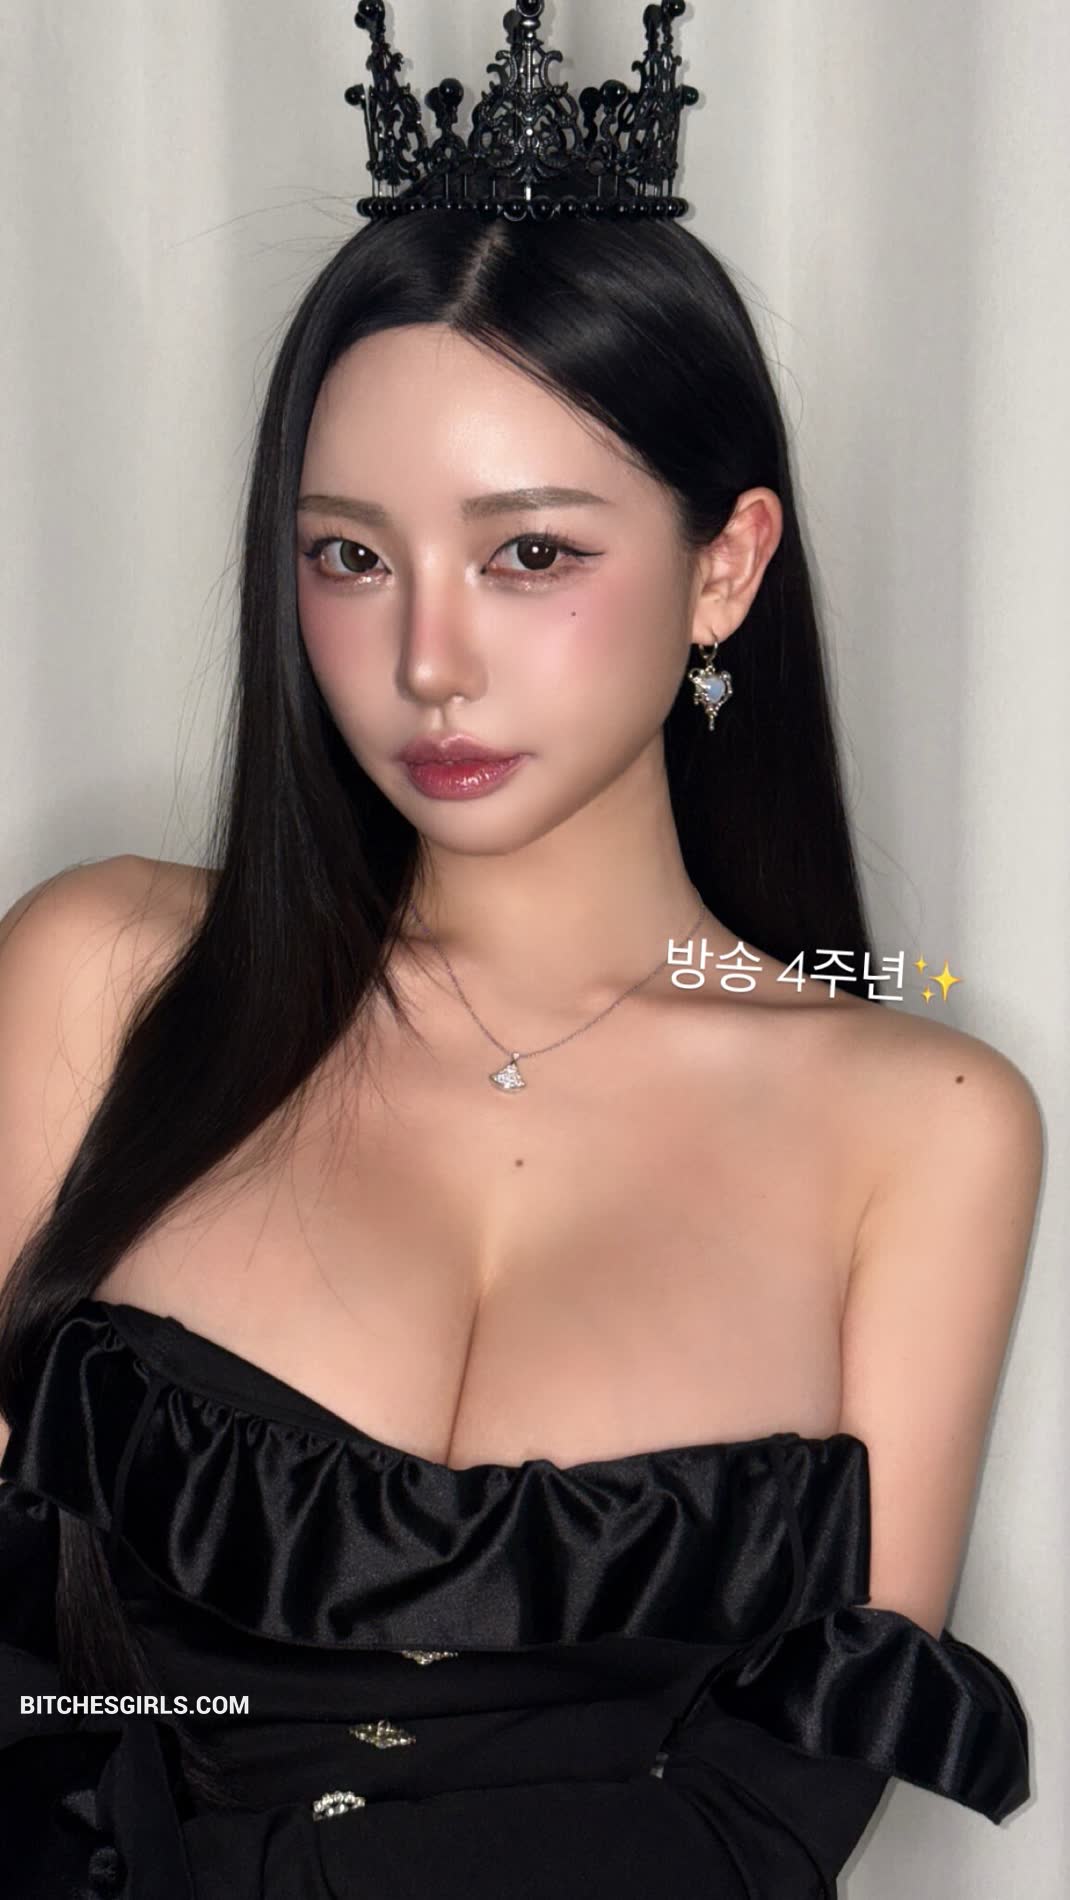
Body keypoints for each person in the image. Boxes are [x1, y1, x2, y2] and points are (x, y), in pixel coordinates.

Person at [0, 3, 1042, 1895]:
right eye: (349, 554)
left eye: (531, 554)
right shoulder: (103, 975)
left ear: (724, 564)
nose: (427, 662)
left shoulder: (922, 1121)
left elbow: (780, 1817)